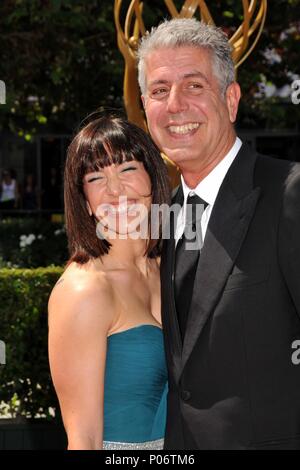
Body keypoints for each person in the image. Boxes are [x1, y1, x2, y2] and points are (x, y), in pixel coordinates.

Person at [137, 18, 300, 449]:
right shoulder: (160, 216)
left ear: (230, 99)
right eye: (159, 90)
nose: (174, 105)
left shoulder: (290, 194)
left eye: (194, 86)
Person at [48, 115, 170, 450]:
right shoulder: (84, 290)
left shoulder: (174, 269)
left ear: (152, 177)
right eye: (96, 177)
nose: (115, 190)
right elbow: (83, 438)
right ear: (85, 201)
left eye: (128, 169)